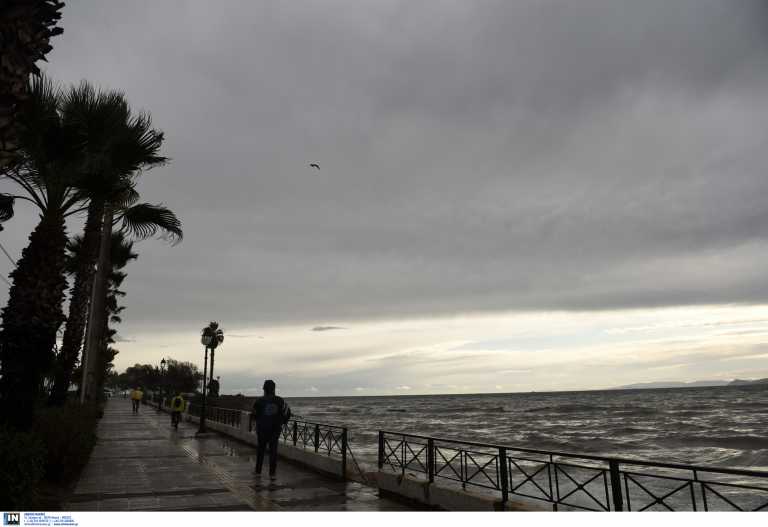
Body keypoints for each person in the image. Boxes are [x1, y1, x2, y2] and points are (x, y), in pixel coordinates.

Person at [251, 379, 291, 479]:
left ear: (264, 389)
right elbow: (287, 413)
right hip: (275, 429)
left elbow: (254, 414)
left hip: (262, 429)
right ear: (274, 389)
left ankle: (258, 471)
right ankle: (272, 474)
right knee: (273, 451)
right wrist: (282, 422)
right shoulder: (280, 400)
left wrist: (259, 420)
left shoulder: (259, 401)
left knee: (261, 450)